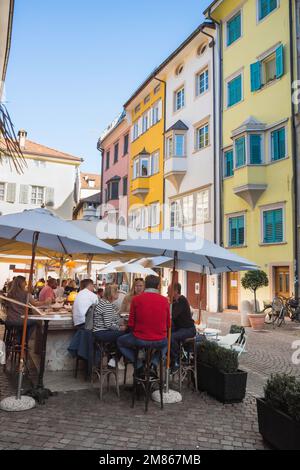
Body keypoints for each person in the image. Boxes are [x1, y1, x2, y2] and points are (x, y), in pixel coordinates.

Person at [117, 275, 170, 374]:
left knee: (120, 341)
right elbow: (168, 324)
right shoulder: (165, 301)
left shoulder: (136, 300)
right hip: (159, 340)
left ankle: (139, 364)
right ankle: (154, 363)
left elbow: (131, 324)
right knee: (167, 343)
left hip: (140, 339)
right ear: (158, 286)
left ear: (145, 285)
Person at [5, 276, 51, 340]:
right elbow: (35, 304)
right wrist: (45, 302)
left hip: (9, 320)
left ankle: (18, 339)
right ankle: (25, 340)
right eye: (24, 282)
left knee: (26, 323)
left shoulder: (10, 293)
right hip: (19, 320)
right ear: (20, 283)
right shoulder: (25, 294)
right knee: (36, 322)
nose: (26, 284)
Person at [93, 284, 127, 367]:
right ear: (113, 294)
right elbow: (108, 324)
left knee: (124, 335)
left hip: (101, 331)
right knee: (127, 335)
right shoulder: (107, 304)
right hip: (101, 333)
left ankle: (113, 356)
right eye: (117, 292)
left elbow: (114, 319)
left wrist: (120, 323)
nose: (119, 294)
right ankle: (114, 359)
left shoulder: (105, 303)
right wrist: (120, 328)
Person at [170, 283, 196, 372]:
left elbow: (173, 315)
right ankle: (173, 358)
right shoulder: (174, 301)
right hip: (181, 329)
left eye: (169, 290)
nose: (167, 292)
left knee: (171, 337)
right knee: (166, 335)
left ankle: (177, 359)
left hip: (189, 330)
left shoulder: (182, 300)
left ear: (176, 291)